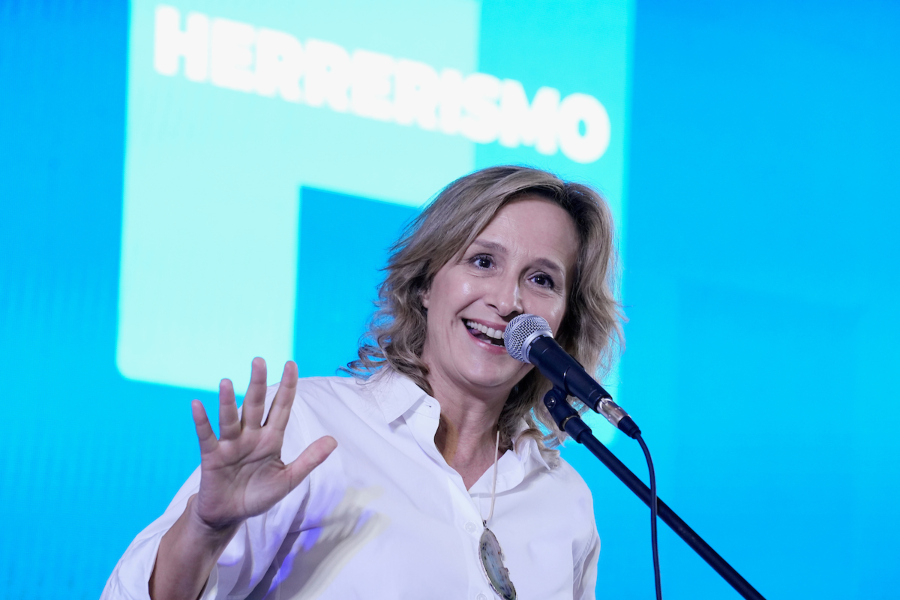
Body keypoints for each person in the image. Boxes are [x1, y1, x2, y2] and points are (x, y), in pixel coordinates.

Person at [101, 165, 623, 600]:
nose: (509, 301)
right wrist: (205, 528)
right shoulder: (312, 427)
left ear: (563, 320)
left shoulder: (564, 500)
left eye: (542, 280)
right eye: (482, 261)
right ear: (424, 284)